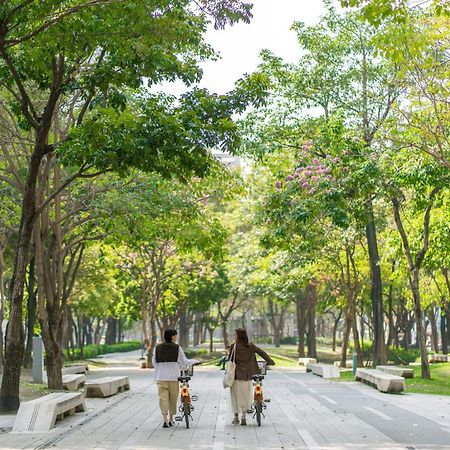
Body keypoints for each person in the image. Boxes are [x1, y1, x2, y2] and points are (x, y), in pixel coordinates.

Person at [152, 329, 198, 428]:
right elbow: (184, 362)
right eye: (175, 336)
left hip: (161, 377)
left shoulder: (157, 348)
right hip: (173, 377)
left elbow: (154, 363)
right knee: (173, 398)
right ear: (172, 336)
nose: (176, 337)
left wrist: (160, 369)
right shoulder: (177, 348)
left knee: (163, 398)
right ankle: (171, 419)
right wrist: (194, 361)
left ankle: (165, 419)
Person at [228, 328, 275, 426]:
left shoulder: (234, 347)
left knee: (235, 396)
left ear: (239, 336)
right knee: (246, 395)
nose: (234, 336)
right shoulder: (251, 346)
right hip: (249, 375)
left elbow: (230, 360)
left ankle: (236, 417)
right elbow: (261, 352)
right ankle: (244, 416)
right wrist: (270, 361)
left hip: (236, 375)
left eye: (235, 335)